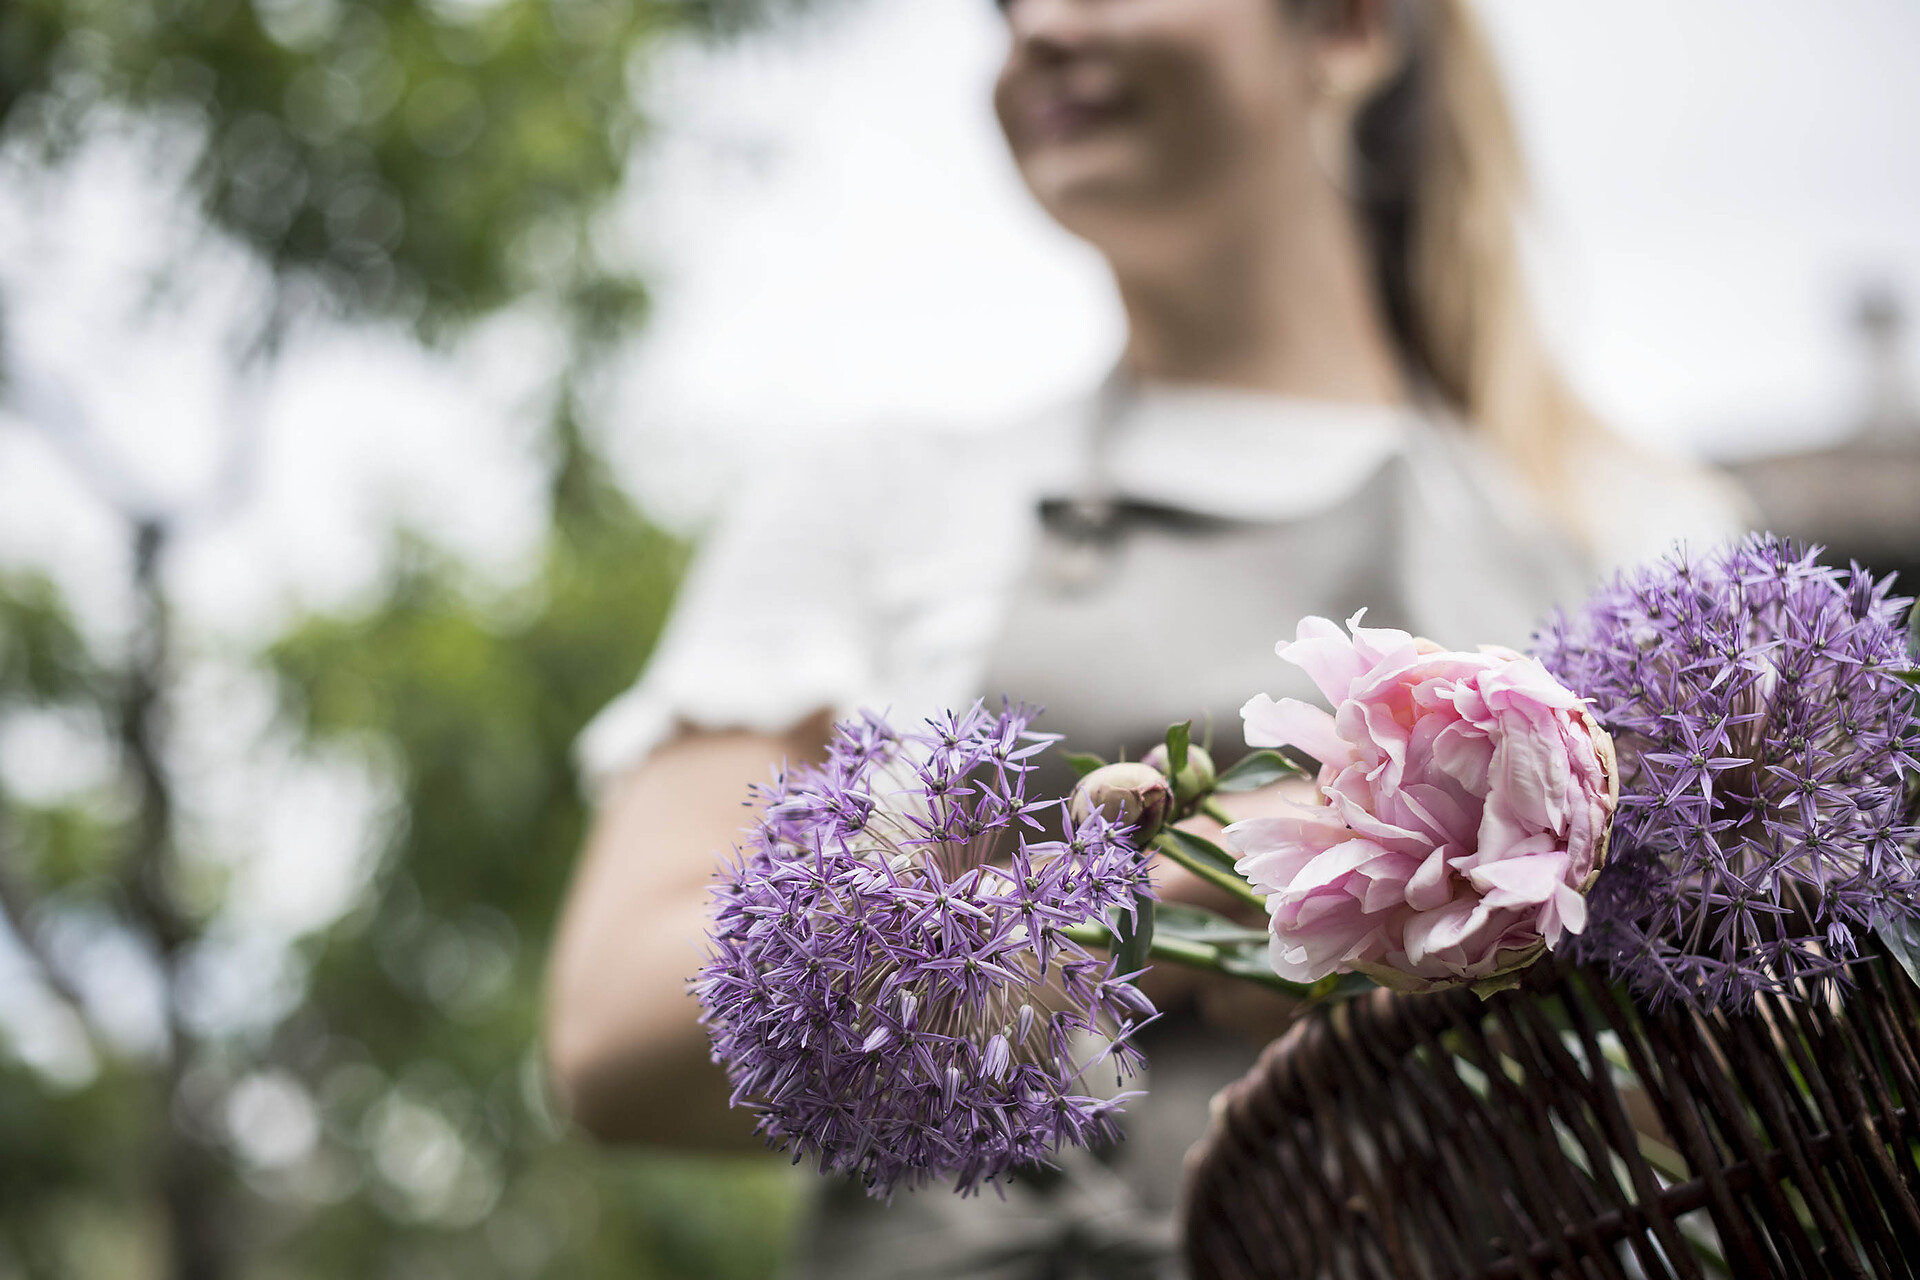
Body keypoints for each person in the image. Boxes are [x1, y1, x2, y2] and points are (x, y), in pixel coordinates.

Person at [546, 0, 1747, 1274]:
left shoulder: (1635, 533)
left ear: (1342, 28)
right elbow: (615, 1028)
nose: (1039, 31)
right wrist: (1176, 905)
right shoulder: (886, 498)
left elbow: (1767, 1055)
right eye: (1003, 7)